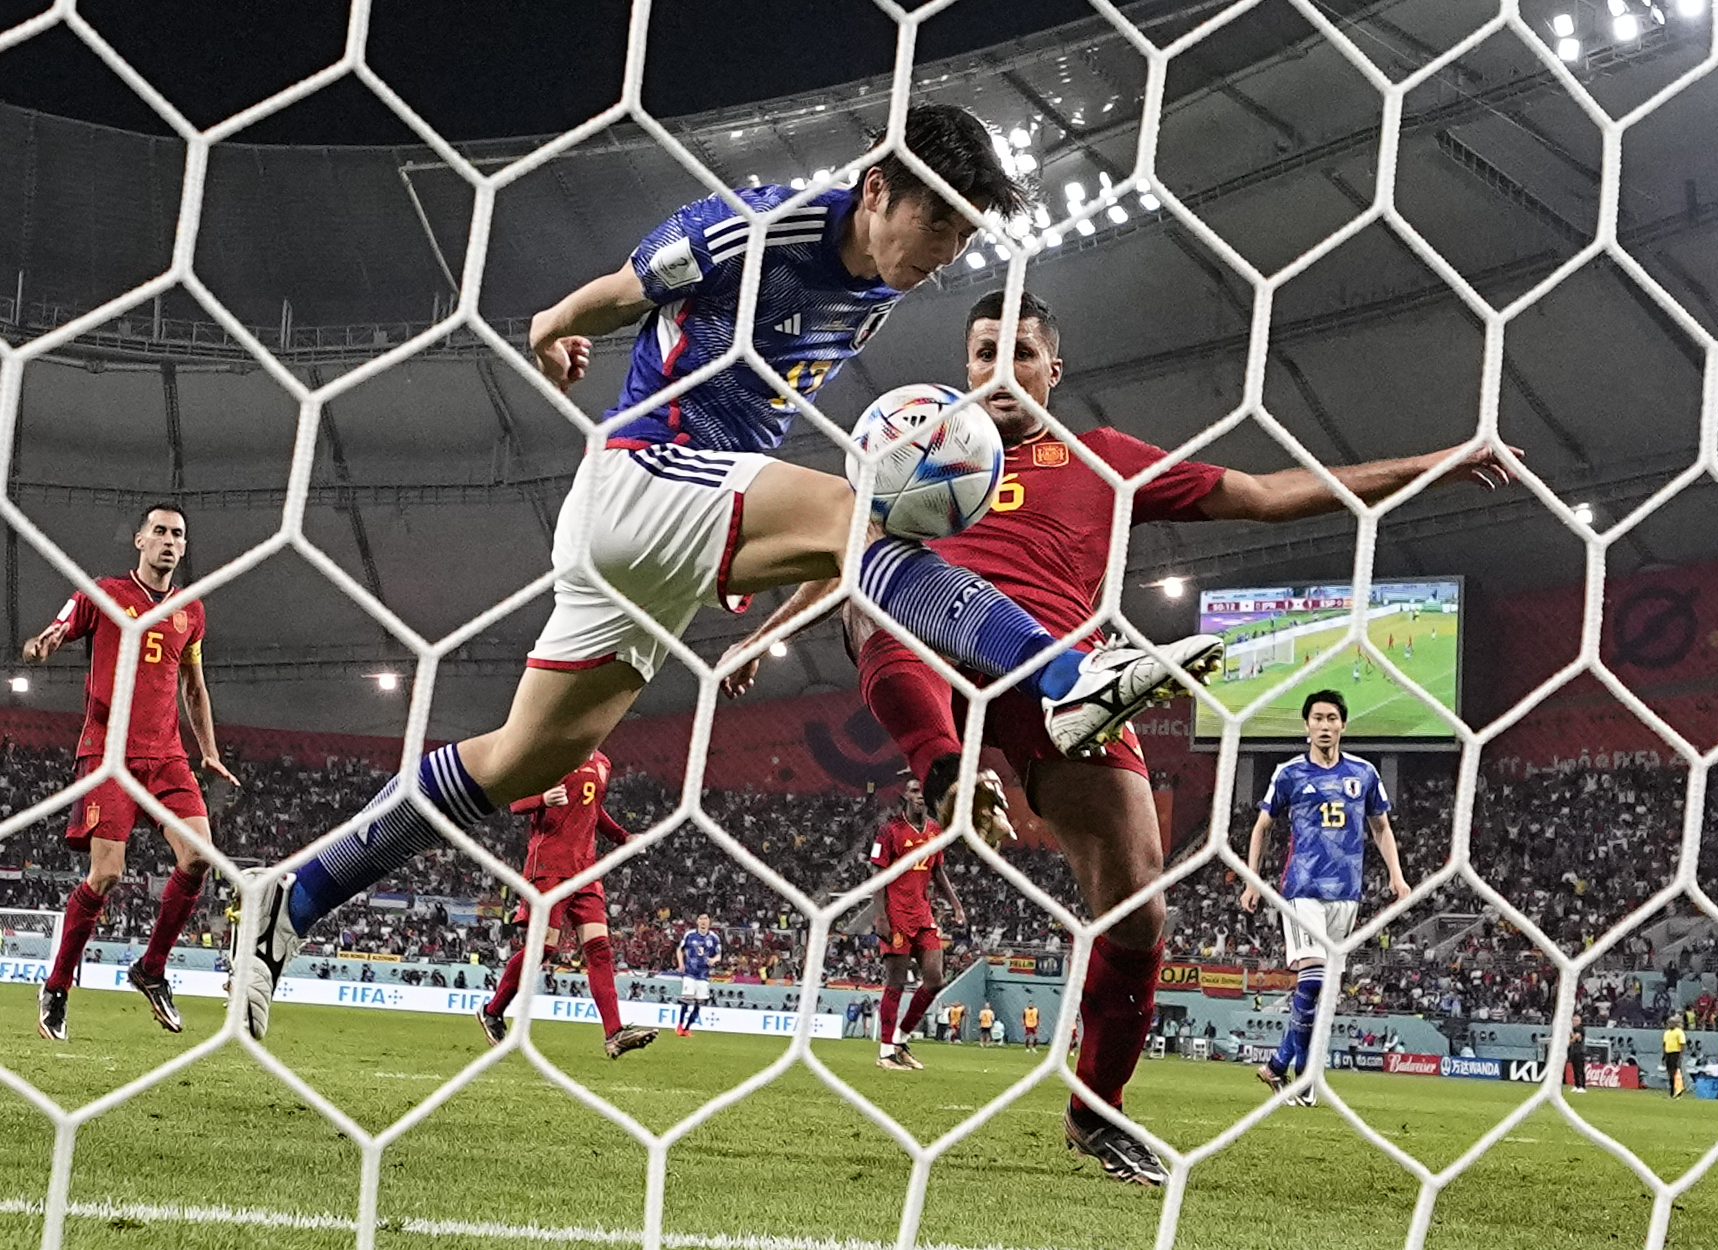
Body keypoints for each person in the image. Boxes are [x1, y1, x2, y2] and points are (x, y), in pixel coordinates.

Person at [241, 107, 1221, 1040]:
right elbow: (625, 288)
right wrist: (554, 323)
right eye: (939, 226)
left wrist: (745, 532)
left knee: (521, 760)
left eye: (964, 241)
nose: (942, 258)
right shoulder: (759, 224)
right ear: (879, 188)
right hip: (643, 478)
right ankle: (1065, 675)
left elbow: (764, 398)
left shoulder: (879, 293)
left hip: (668, 529)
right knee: (862, 515)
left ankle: (295, 896)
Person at [725, 291, 1511, 1185]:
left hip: (1066, 685)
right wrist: (760, 637)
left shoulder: (1103, 460)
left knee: (1137, 904)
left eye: (1020, 354)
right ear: (963, 363)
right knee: (885, 605)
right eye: (982, 354)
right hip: (937, 641)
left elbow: (1262, 495)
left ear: (1053, 370)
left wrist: (1441, 464)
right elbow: (853, 555)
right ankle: (944, 770)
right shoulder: (921, 452)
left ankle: (1096, 1110)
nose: (998, 373)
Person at [24, 505, 239, 1041]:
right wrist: (46, 642)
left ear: (184, 548)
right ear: (140, 540)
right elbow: (60, 626)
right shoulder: (105, 593)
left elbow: (194, 686)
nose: (168, 541)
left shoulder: (191, 611)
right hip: (108, 754)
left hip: (166, 755)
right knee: (108, 874)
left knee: (199, 857)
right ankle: (57, 985)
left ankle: (151, 968)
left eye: (178, 535)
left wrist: (208, 751)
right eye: (160, 531)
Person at [1241, 690, 1409, 1109]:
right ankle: (1292, 1071)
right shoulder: (1289, 773)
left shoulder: (1365, 773)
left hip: (1346, 895)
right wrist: (1251, 881)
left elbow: (1381, 828)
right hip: (1301, 889)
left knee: (1322, 992)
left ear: (1343, 726)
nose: (1325, 725)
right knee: (1312, 979)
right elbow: (1261, 827)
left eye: (1332, 717)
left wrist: (1397, 875)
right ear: (1306, 725)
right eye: (1317, 717)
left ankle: (1291, 1070)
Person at [476, 751, 653, 1058]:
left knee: (600, 949)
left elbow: (594, 810)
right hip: (548, 867)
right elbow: (517, 803)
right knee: (544, 948)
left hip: (586, 870)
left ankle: (614, 1034)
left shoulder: (603, 762)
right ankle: (493, 1011)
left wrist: (623, 838)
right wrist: (542, 799)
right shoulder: (552, 752)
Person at [872, 779, 964, 1071]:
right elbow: (878, 875)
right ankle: (885, 1052)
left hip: (923, 915)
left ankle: (900, 1040)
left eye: (924, 791)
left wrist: (956, 904)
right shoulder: (889, 831)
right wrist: (880, 916)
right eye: (914, 791)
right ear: (905, 795)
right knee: (896, 982)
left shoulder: (936, 831)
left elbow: (937, 871)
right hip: (896, 914)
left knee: (935, 980)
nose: (920, 796)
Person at [674, 914, 722, 1037]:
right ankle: (679, 1025)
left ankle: (687, 1029)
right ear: (697, 922)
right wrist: (681, 964)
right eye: (701, 919)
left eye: (706, 919)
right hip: (690, 971)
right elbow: (680, 949)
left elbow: (719, 955)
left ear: (709, 922)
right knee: (687, 998)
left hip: (703, 974)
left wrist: (713, 960)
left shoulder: (714, 938)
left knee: (699, 1002)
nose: (703, 922)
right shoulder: (689, 935)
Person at [1662, 1016, 1687, 1098]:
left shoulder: (1679, 1032)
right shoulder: (1667, 1033)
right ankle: (1672, 1091)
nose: (1670, 1024)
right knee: (1670, 1073)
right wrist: (1664, 1054)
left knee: (1675, 1072)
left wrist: (1680, 1054)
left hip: (1675, 1053)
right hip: (1668, 1053)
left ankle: (1677, 1091)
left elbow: (1682, 1043)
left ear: (1675, 1024)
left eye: (1672, 1023)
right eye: (1669, 1023)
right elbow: (1664, 1044)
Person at [1566, 1014, 1589, 1094]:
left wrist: (1571, 1034)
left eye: (1576, 1020)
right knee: (1575, 1069)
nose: (1574, 1022)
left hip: (1580, 1051)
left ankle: (1582, 1086)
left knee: (1580, 1069)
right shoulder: (1574, 1028)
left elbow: (1575, 1038)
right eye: (1573, 1020)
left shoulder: (1580, 1028)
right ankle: (1576, 1085)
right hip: (1574, 1051)